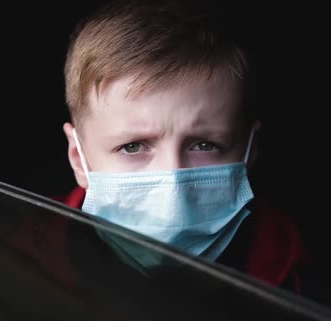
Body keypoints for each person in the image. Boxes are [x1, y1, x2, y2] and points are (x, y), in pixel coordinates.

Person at [58, 0, 306, 293]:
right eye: (133, 146)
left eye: (204, 145)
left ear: (250, 151)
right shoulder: (17, 261)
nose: (173, 182)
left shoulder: (313, 288)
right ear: (78, 158)